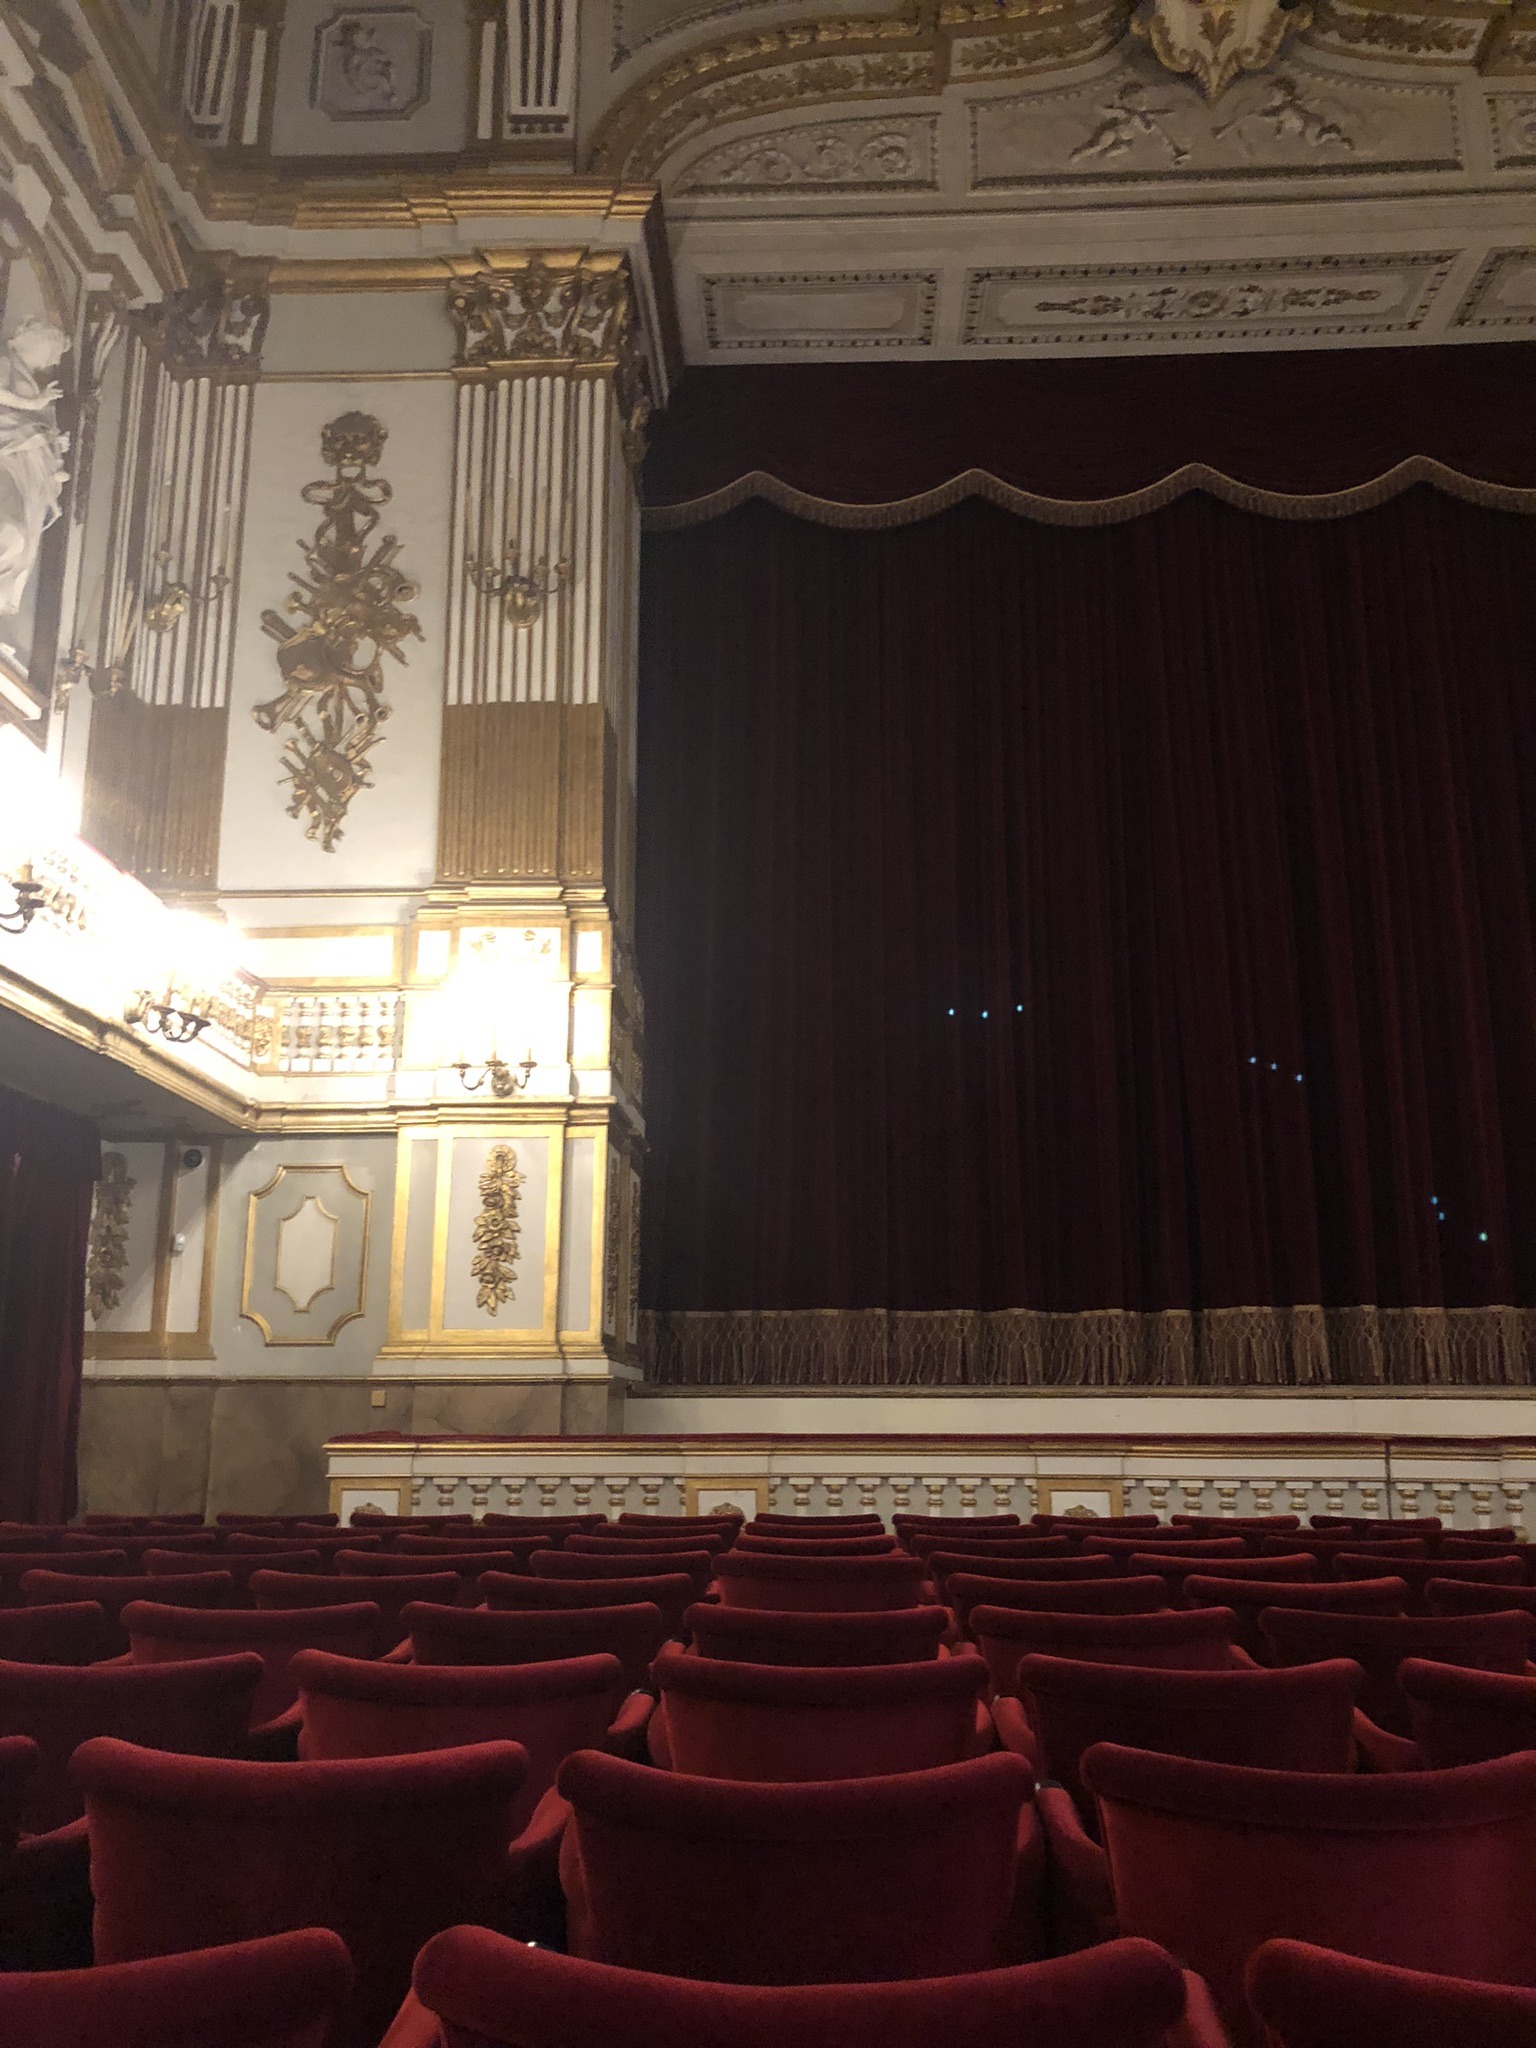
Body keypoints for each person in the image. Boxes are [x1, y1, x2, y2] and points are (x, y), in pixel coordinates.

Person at [0, 317, 70, 616]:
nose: (50, 362)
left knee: (20, 537)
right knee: (11, 531)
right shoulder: (5, 362)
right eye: (50, 353)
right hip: (6, 453)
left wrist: (55, 448)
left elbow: (42, 428)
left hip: (24, 463)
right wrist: (33, 404)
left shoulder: (36, 384)